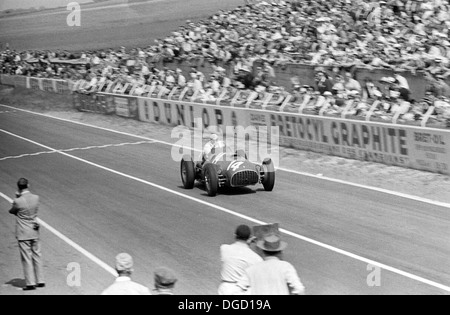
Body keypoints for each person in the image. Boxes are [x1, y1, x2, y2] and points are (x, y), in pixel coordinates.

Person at [9, 178, 45, 291]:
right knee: (37, 255)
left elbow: (12, 211)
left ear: (18, 187)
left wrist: (17, 198)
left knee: (26, 258)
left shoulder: (18, 201)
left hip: (23, 231)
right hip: (34, 229)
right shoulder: (36, 197)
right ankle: (40, 280)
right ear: (28, 185)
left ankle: (30, 283)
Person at [238, 234, 305, 295]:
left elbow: (237, 291)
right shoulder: (286, 267)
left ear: (263, 252)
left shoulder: (251, 270)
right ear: (280, 252)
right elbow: (299, 289)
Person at [218, 225, 263, 295]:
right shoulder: (256, 258)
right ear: (249, 237)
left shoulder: (224, 248)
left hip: (225, 289)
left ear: (235, 235)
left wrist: (248, 241)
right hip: (243, 290)